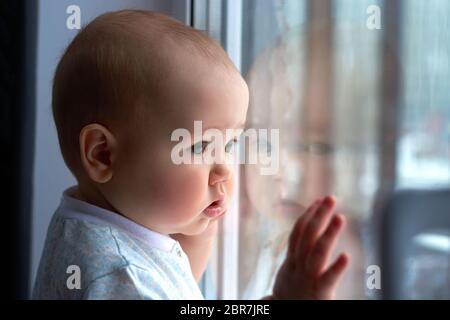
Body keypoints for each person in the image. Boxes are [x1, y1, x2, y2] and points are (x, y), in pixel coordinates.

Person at [32, 9, 349, 300]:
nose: (225, 170)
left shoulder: (90, 221)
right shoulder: (123, 279)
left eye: (228, 145)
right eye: (198, 146)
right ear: (102, 155)